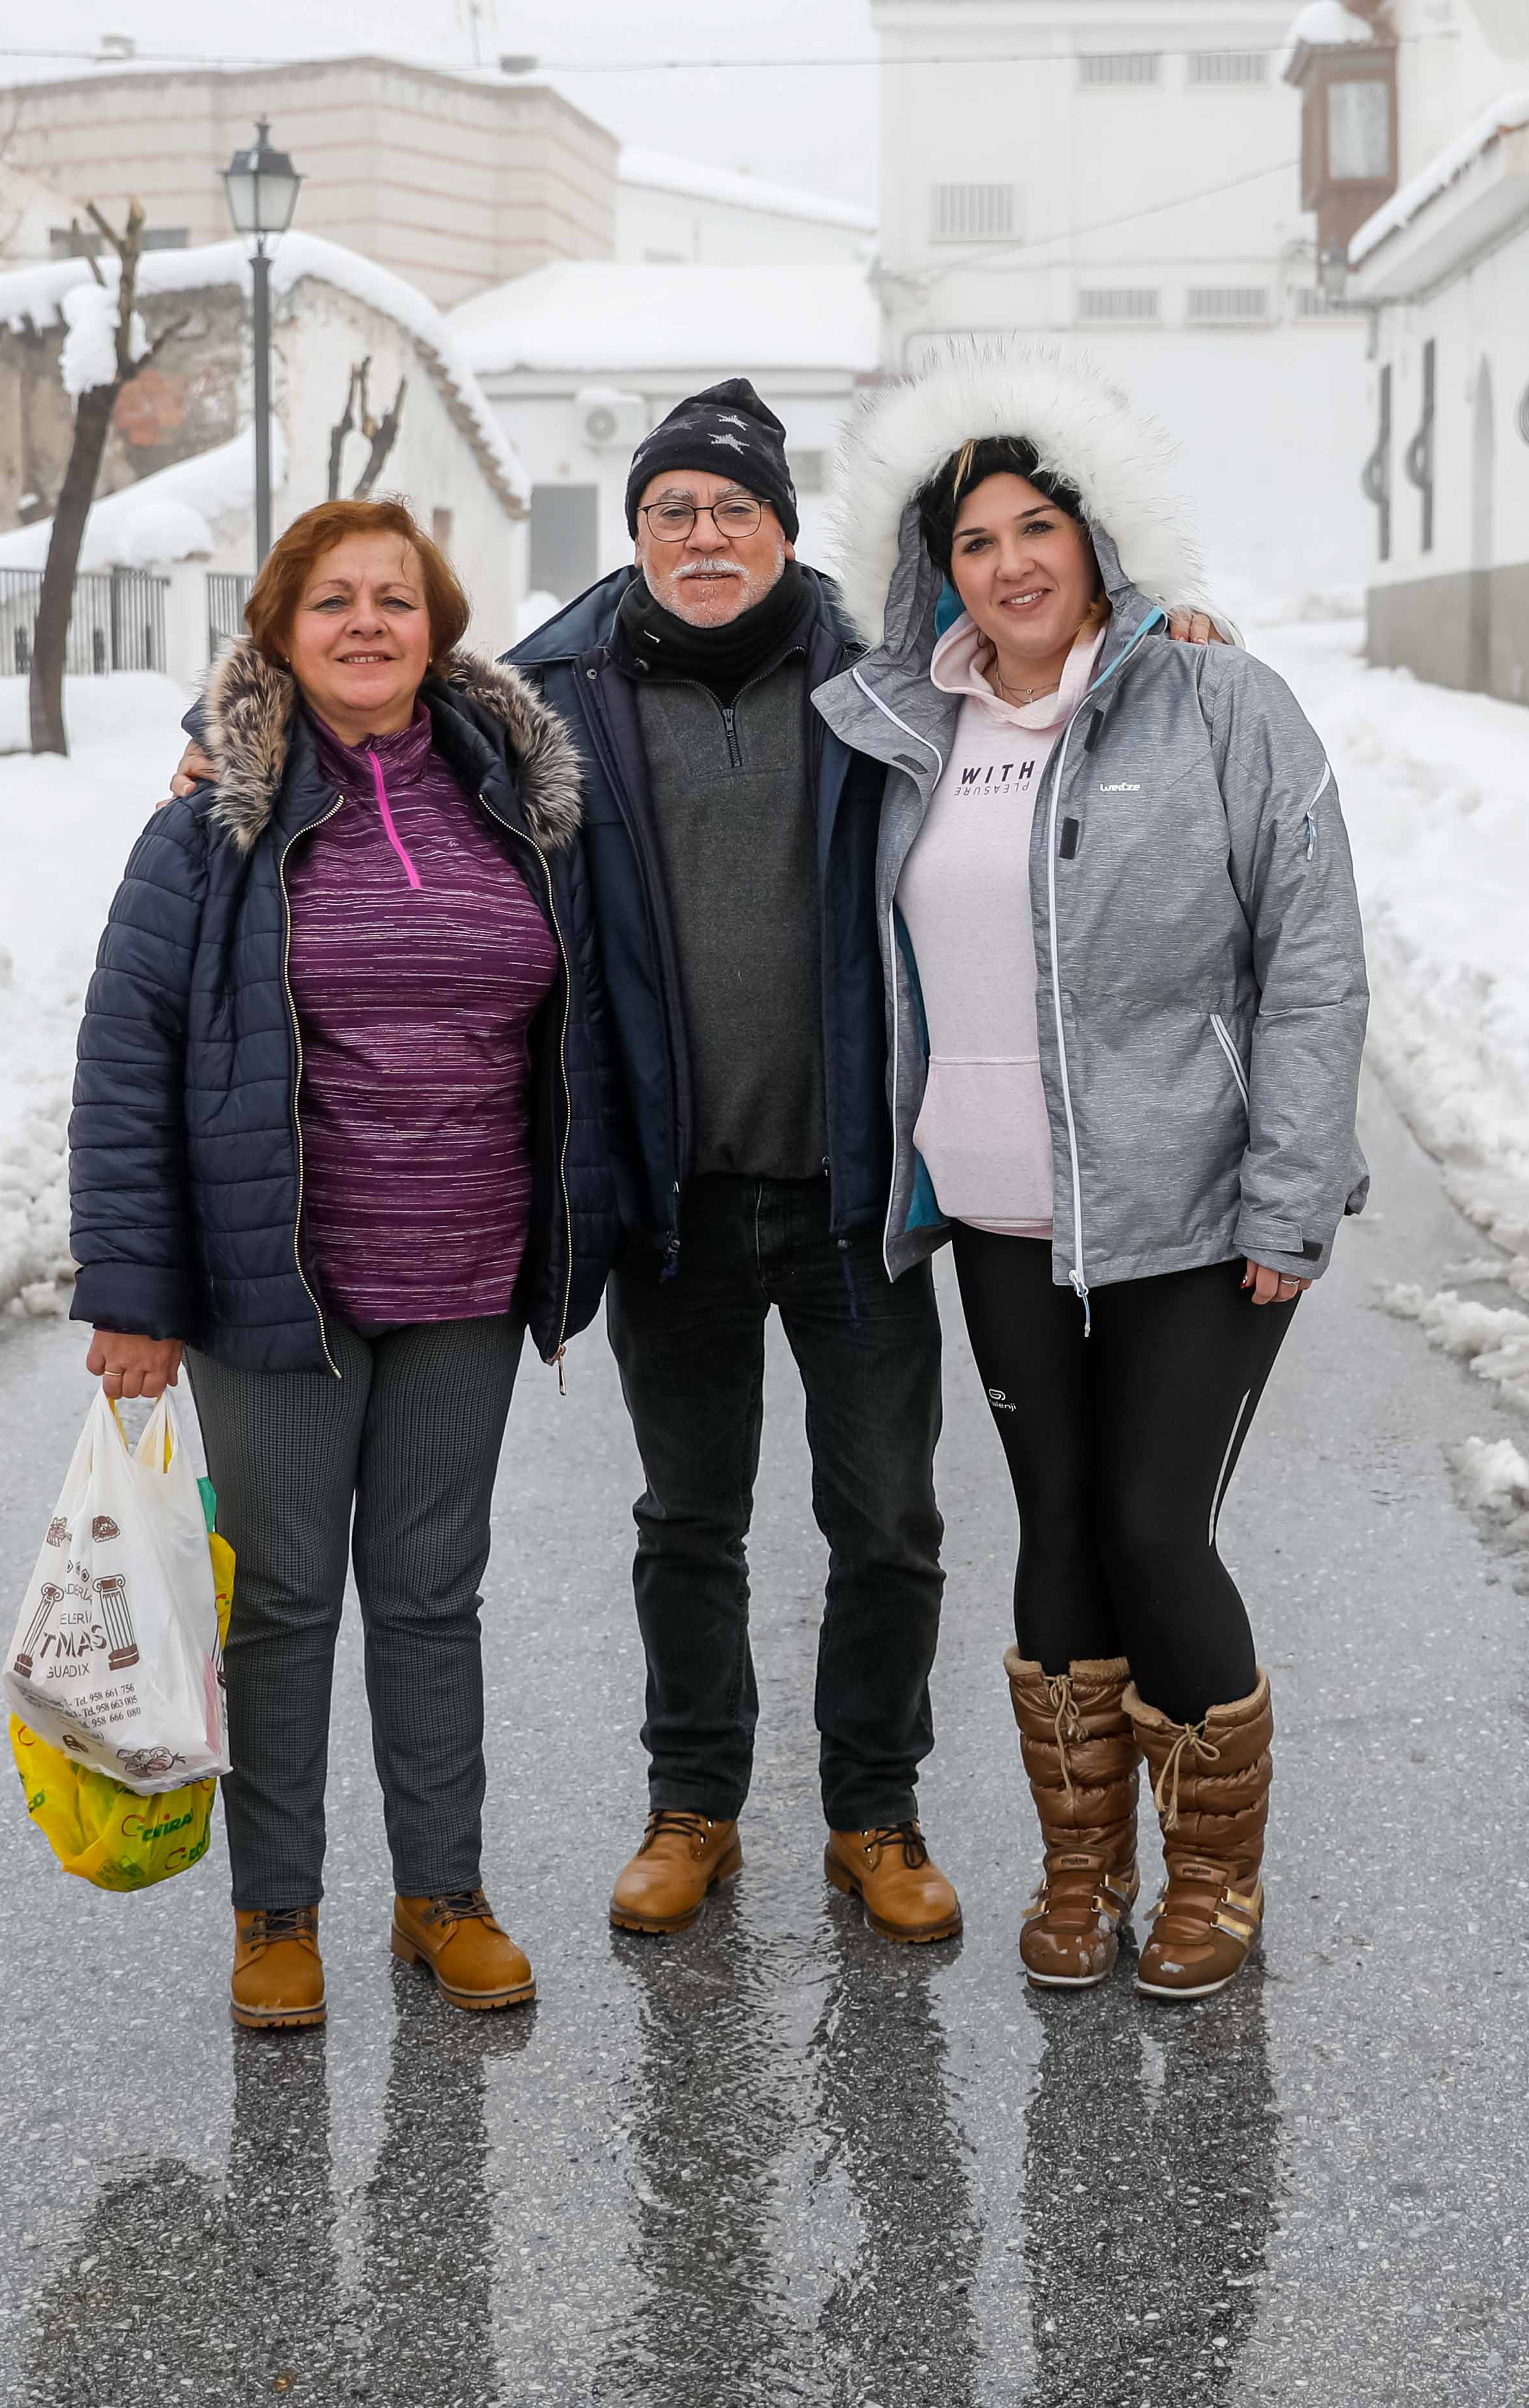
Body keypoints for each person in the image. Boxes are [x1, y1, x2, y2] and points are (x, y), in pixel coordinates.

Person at [498, 383, 1242, 1949]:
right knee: (687, 1519)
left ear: (783, 524)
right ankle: (692, 1805)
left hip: (858, 1192)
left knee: (887, 1524)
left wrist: (1172, 633)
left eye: (735, 509)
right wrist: (200, 753)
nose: (706, 536)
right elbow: (367, 728)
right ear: (634, 532)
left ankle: (872, 1812)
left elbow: (1059, 676)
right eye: (673, 511)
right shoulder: (542, 692)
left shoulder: (891, 678)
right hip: (674, 1200)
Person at [813, 354, 1370, 2003]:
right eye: (974, 540)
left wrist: (1291, 1189)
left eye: (1036, 525)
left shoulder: (1218, 703)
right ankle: (1081, 1869)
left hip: (1189, 1210)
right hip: (992, 1209)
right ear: (938, 570)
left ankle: (1211, 1878)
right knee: (1054, 1529)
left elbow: (1314, 958)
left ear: (1096, 537)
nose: (1009, 565)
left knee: (1150, 1523)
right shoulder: (909, 725)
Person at [69, 497, 620, 2034]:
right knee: (288, 1603)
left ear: (439, 628)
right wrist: (134, 1293)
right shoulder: (208, 824)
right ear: (280, 632)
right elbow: (128, 1062)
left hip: (467, 1273)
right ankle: (277, 1914)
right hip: (278, 1286)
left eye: (397, 598)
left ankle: (445, 1896)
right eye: (333, 602)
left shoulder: (522, 805)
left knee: (436, 1595)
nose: (367, 623)